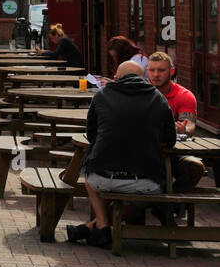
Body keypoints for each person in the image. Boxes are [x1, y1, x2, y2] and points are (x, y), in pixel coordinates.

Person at [66, 61, 175, 247]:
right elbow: (170, 139)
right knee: (161, 186)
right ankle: (98, 227)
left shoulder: (101, 96)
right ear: (144, 78)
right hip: (146, 182)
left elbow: (91, 135)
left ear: (116, 78)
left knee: (88, 176)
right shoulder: (158, 98)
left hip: (102, 178)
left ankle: (100, 226)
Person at [145, 51, 205, 192]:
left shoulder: (184, 95)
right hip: (145, 151)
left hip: (175, 152)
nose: (156, 75)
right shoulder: (140, 92)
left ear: (171, 71)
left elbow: (189, 125)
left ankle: (168, 203)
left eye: (161, 70)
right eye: (152, 70)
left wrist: (184, 129)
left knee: (195, 167)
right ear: (147, 71)